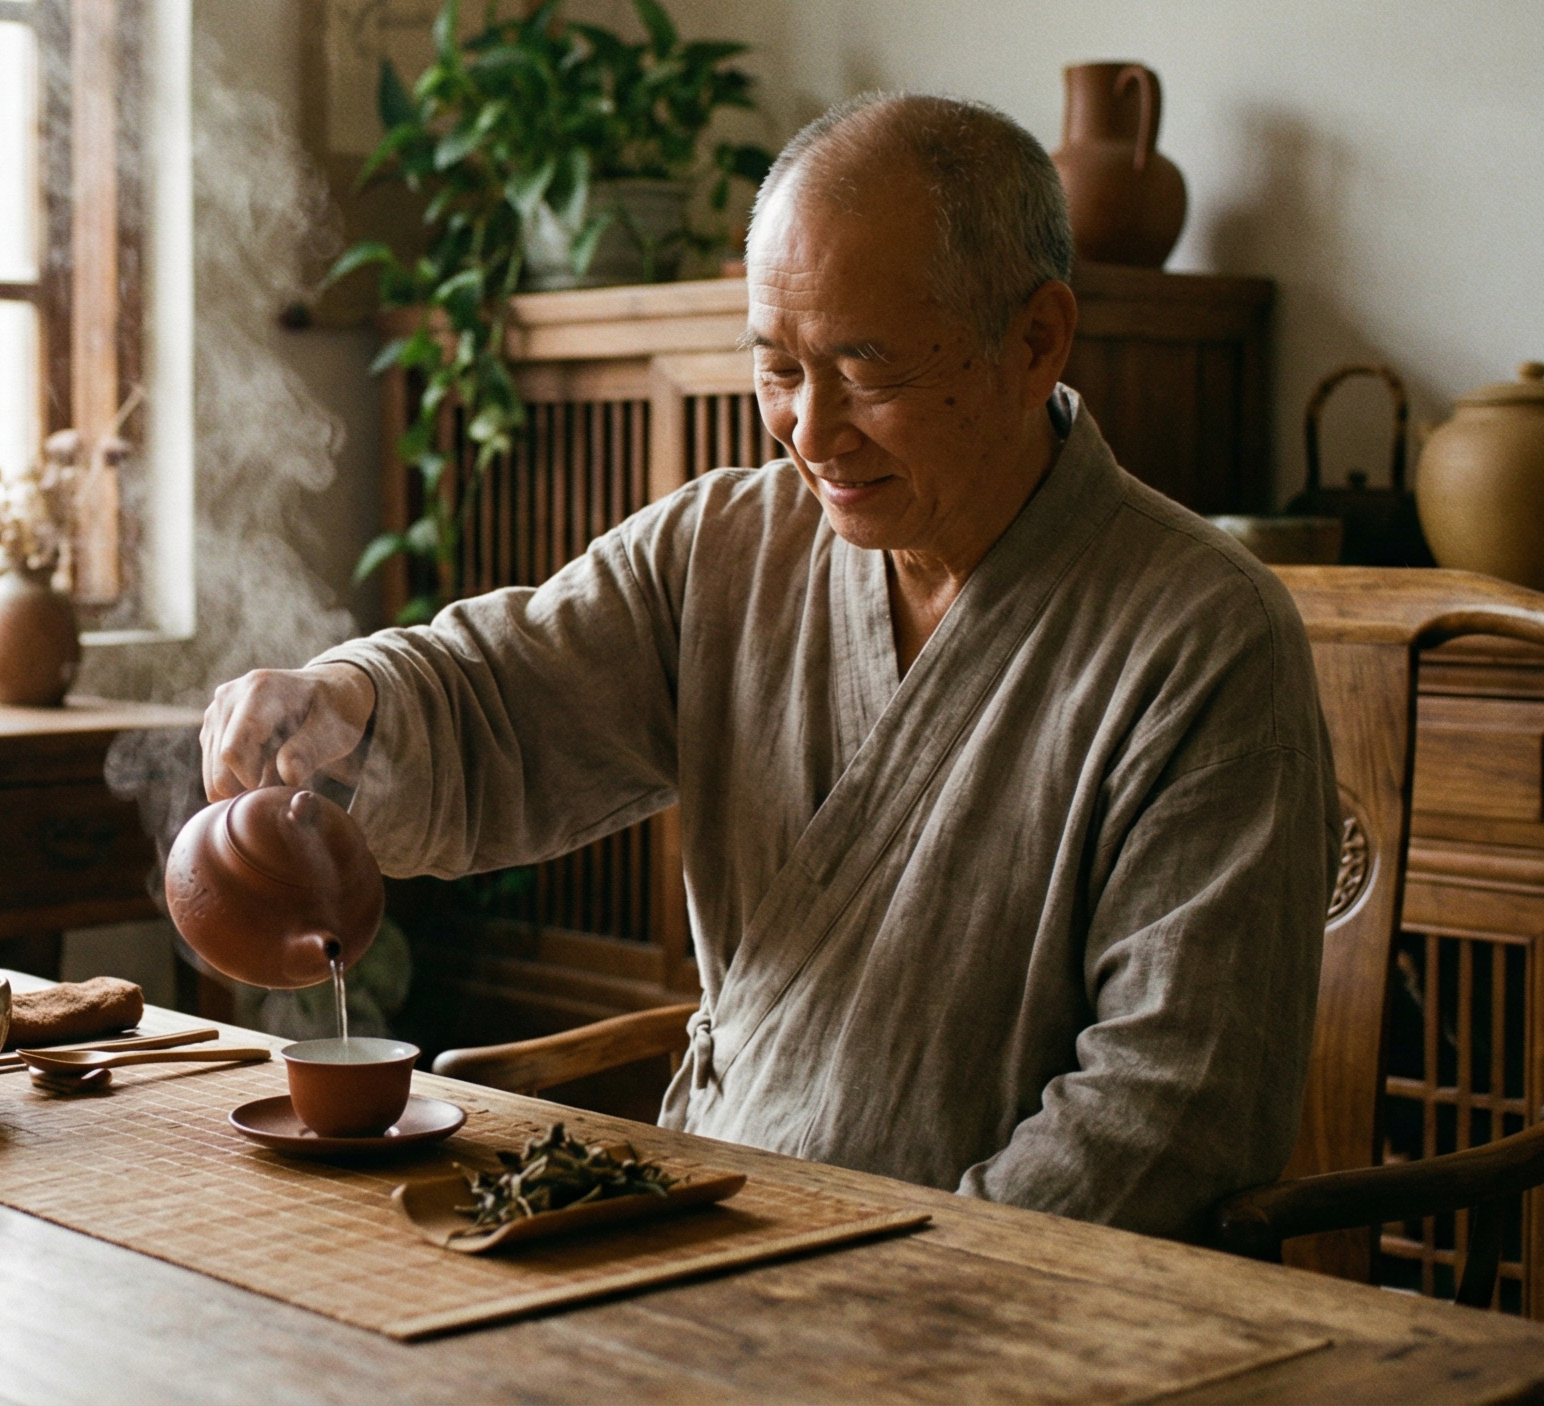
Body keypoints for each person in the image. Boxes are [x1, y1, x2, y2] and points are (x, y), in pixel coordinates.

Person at [201, 92, 1338, 1238]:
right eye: (778, 368)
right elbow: (502, 699)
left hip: (993, 1308)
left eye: (868, 370)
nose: (811, 429)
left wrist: (886, 1284)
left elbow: (1167, 1113)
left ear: (1035, 339)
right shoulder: (722, 548)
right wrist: (344, 698)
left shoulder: (1202, 637)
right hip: (711, 1225)